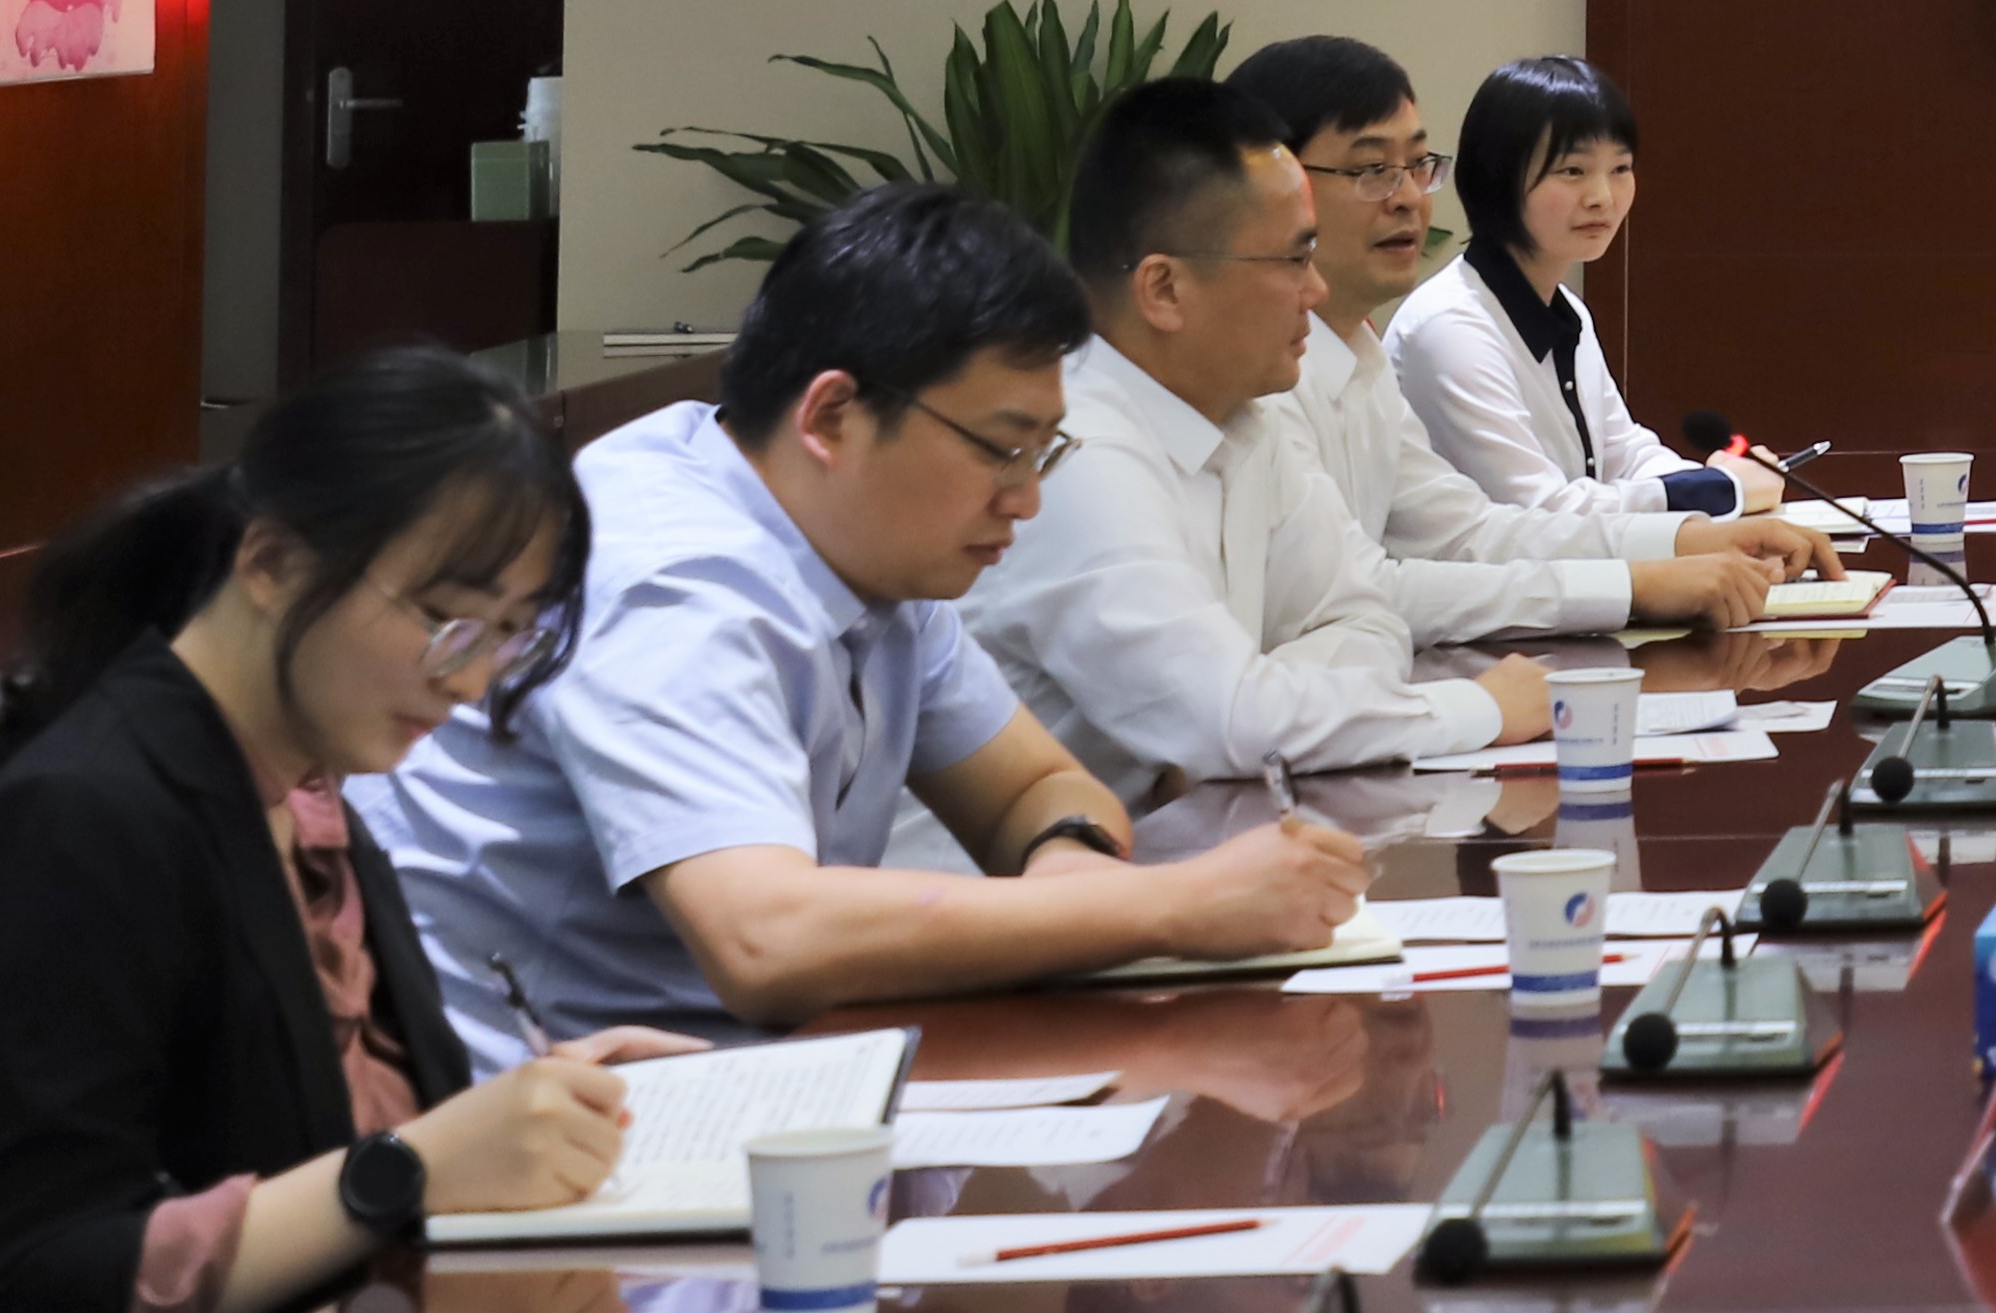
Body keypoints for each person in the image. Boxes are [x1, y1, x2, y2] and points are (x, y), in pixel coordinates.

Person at [359, 185, 1382, 1070]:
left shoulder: (865, 547)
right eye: (1000, 448)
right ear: (831, 415)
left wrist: (1069, 865)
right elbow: (764, 939)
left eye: (1043, 451)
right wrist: (1171, 906)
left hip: (747, 1076)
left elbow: (1033, 787)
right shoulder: (672, 579)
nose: (1025, 498)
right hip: (548, 1128)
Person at [0, 352, 689, 1313]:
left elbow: (316, 1140)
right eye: (449, 619)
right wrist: (408, 1169)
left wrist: (544, 1104)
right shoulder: (75, 822)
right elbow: (22, 1310)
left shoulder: (307, 795)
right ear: (271, 560)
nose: (471, 679)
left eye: (511, 635)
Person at [965, 76, 1557, 793]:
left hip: (1195, 831)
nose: (1315, 290)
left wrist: (1262, 709)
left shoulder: (1245, 414)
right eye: (1293, 260)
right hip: (1032, 863)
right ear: (1164, 289)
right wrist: (1476, 708)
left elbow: (1363, 618)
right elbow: (1233, 724)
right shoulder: (1079, 455)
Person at [1234, 35, 1805, 636]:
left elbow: (1468, 534)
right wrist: (1645, 574)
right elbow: (1359, 593)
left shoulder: (1360, 355)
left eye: (1417, 167)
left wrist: (1687, 538)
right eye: (1372, 170)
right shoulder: (1267, 380)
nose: (1407, 198)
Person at [1394, 58, 1786, 526]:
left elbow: (1625, 455)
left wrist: (1716, 484)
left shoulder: (1567, 310)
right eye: (1573, 171)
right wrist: (1720, 489)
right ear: (1498, 176)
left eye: (1620, 168)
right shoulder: (1452, 329)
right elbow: (1540, 511)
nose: (1603, 196)